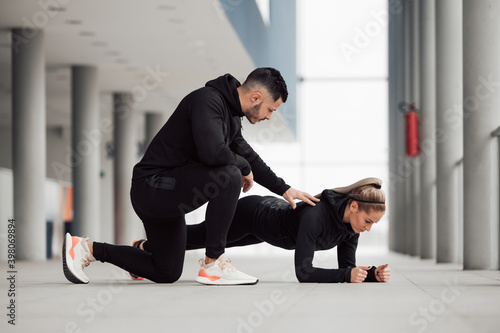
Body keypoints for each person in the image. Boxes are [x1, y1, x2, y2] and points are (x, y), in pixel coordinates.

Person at [62, 67, 319, 285]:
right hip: (152, 187)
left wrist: (284, 189)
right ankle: (213, 263)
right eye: (271, 110)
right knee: (229, 174)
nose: (269, 117)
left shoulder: (231, 116)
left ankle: (86, 249)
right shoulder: (207, 101)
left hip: (170, 196)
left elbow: (247, 155)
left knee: (167, 271)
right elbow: (213, 153)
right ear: (255, 97)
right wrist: (241, 167)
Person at [132, 177, 391, 283]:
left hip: (264, 231)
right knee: (196, 238)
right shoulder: (316, 215)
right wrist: (346, 275)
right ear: (354, 206)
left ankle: (144, 247)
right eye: (368, 221)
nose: (367, 229)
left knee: (195, 240)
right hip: (253, 215)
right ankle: (143, 246)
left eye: (373, 225)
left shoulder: (351, 227)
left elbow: (347, 265)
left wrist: (369, 275)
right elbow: (304, 272)